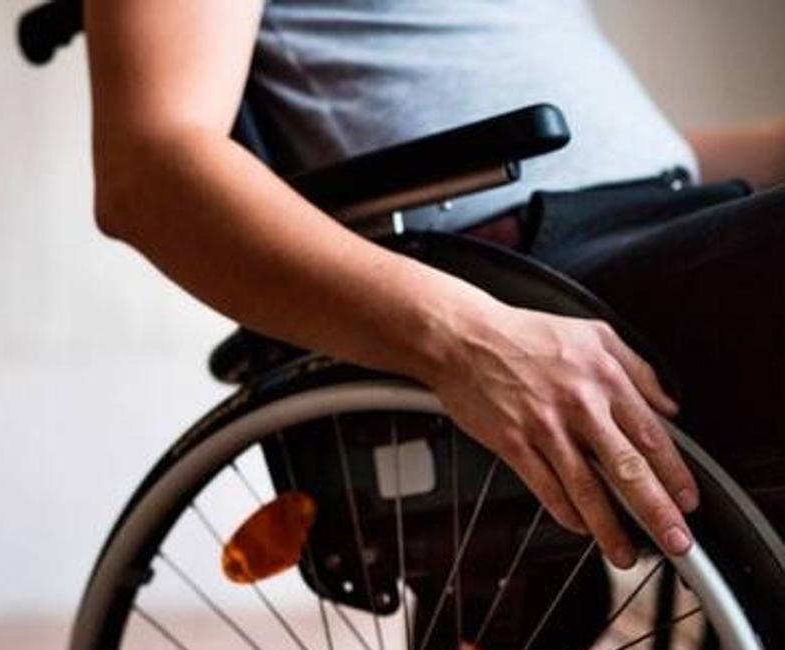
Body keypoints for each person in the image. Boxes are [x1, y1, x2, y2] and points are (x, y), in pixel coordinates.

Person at [84, 0, 785, 569]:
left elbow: (619, 158)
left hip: (663, 217)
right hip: (537, 281)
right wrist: (466, 339)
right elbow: (146, 176)